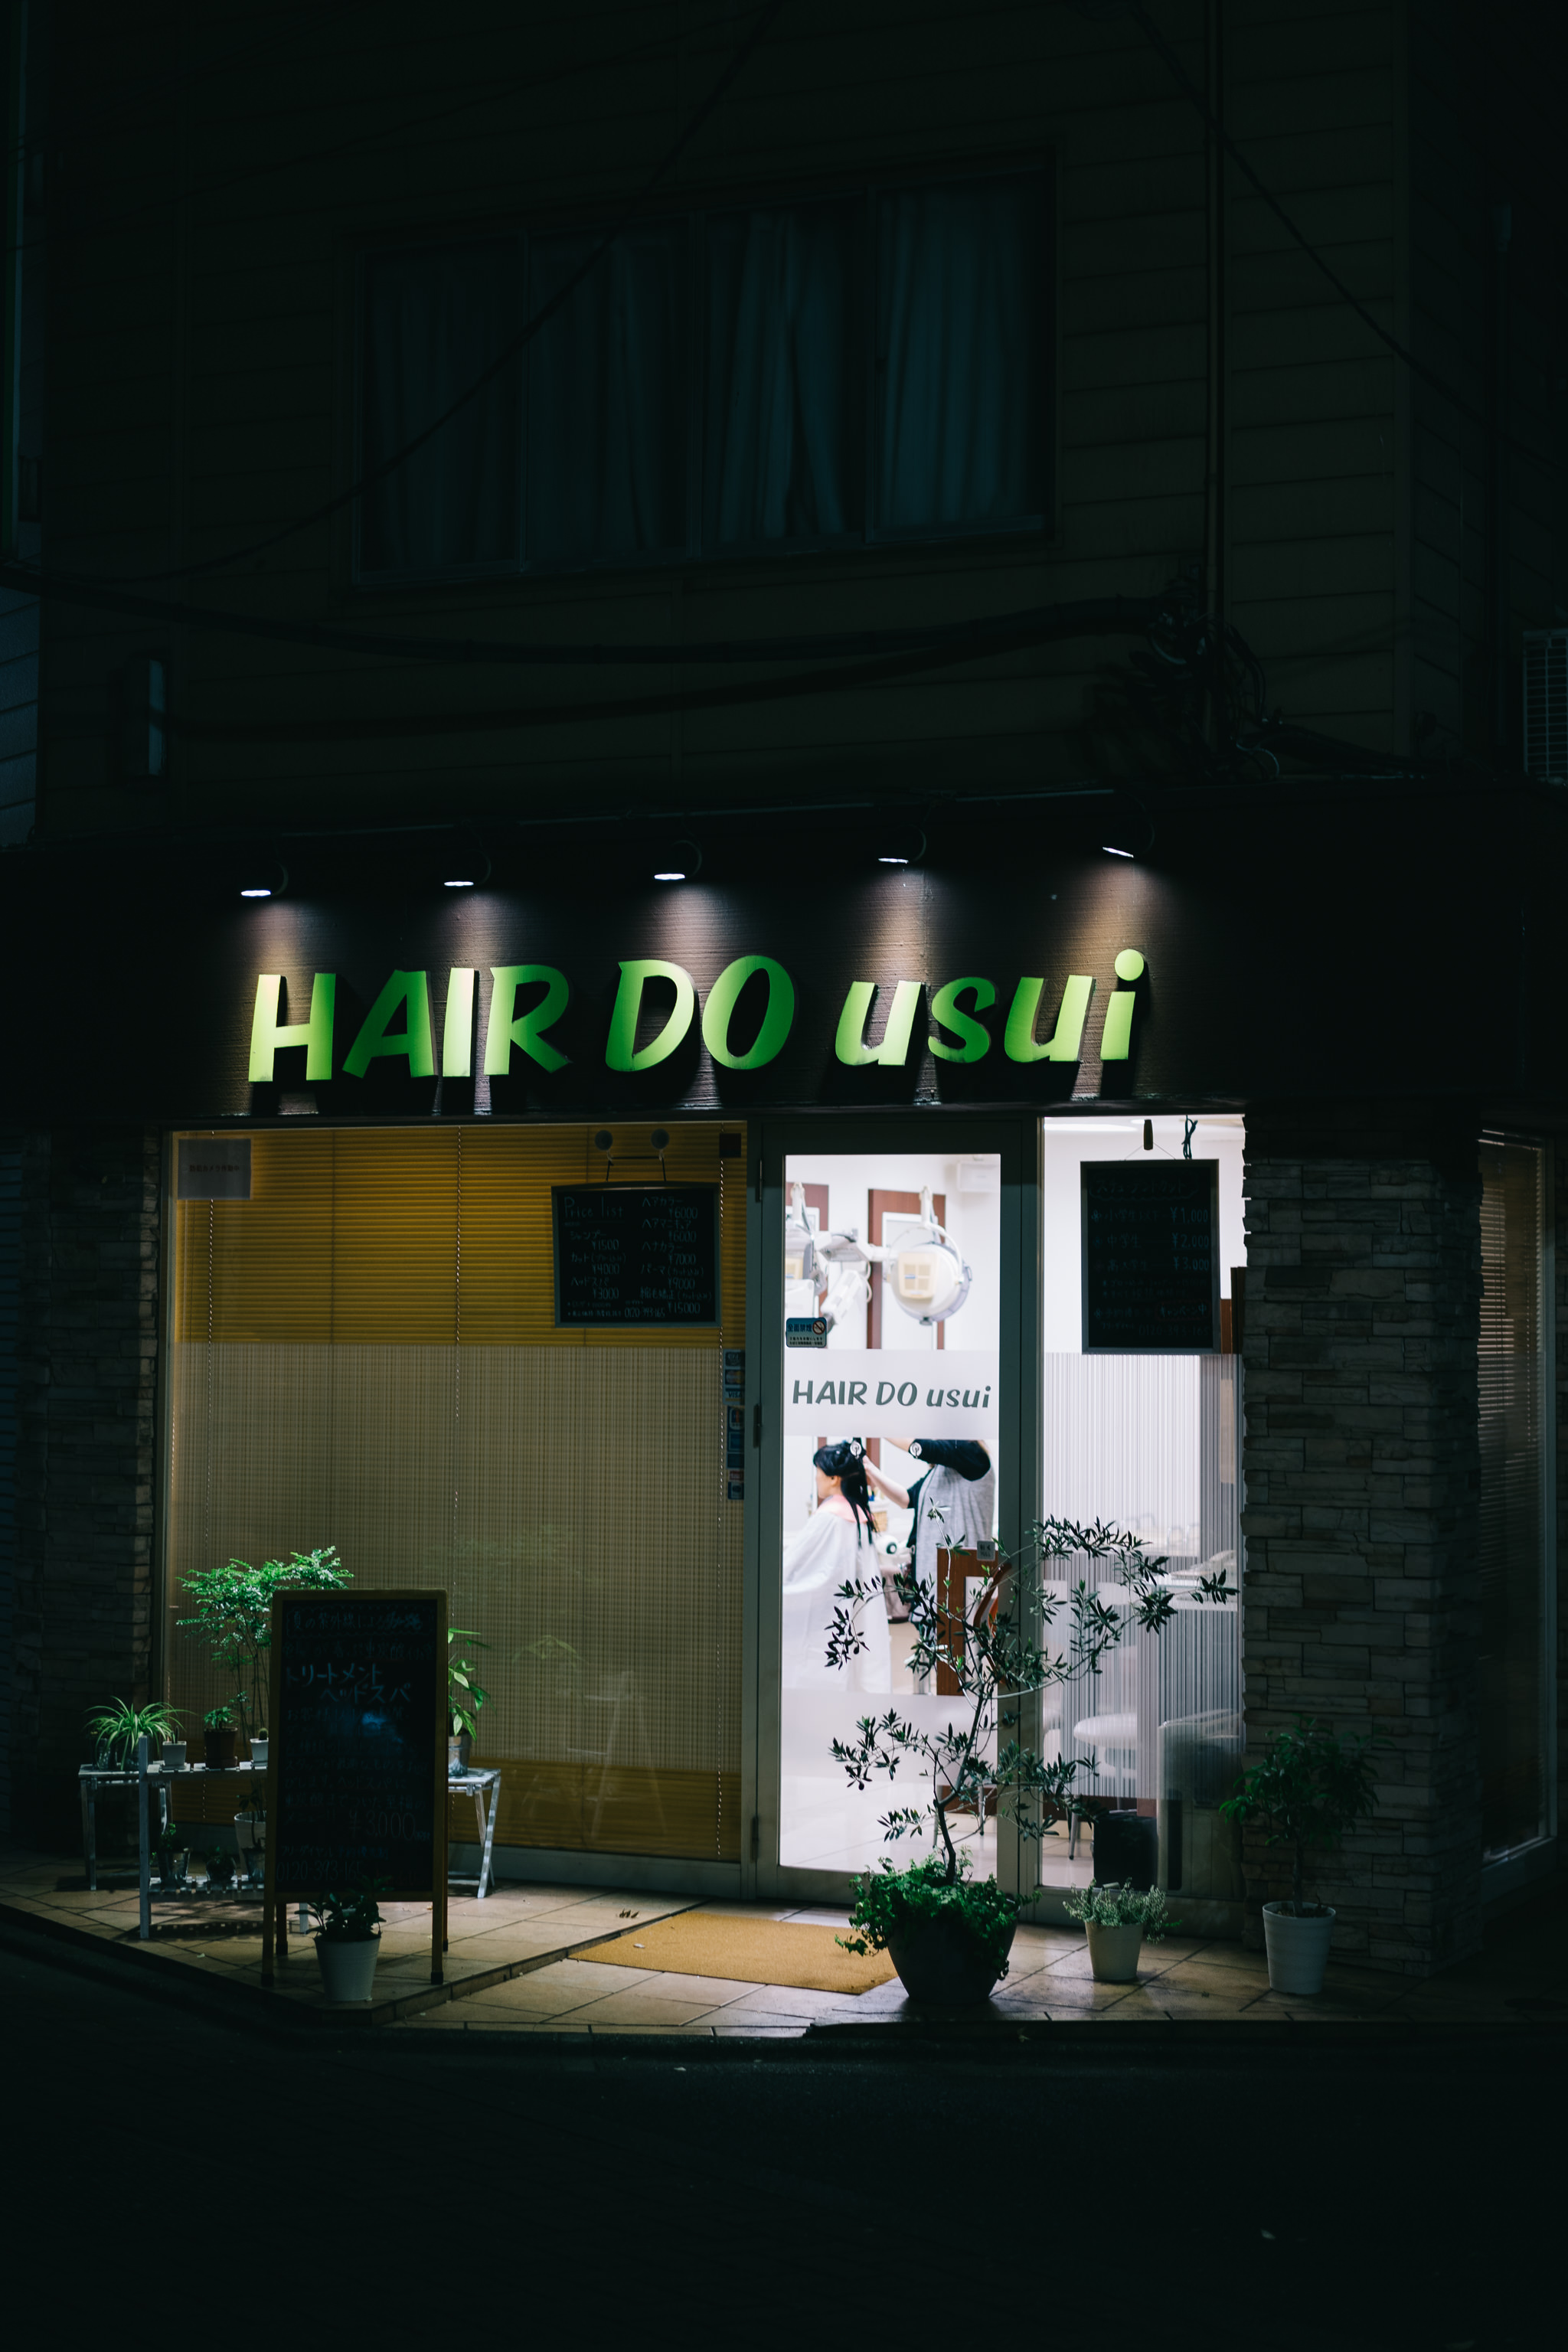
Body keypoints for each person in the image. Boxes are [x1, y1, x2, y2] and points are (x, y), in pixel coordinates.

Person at [781, 1440, 890, 1691]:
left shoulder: (828, 1518)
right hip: (855, 1613)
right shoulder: (860, 1516)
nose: (816, 1477)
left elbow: (792, 1568)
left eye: (818, 1471)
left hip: (825, 1616)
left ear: (833, 1478)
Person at [865, 1438, 994, 1596]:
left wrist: (880, 1429)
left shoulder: (971, 1452)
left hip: (962, 1577)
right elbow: (906, 1499)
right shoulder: (938, 1473)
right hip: (930, 1577)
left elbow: (921, 1448)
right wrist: (869, 1468)